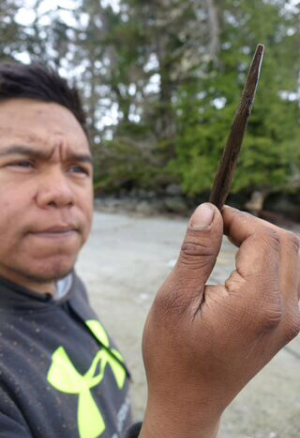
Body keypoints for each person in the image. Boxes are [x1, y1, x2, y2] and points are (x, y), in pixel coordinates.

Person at [0, 61, 299, 438]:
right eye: (23, 163)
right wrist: (188, 407)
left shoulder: (63, 285)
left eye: (78, 168)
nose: (62, 193)